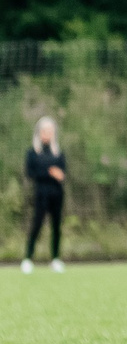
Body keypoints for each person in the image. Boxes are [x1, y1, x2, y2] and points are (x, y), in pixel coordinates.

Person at [22, 117, 65, 273]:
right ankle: (28, 258)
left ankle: (55, 259)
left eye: (50, 131)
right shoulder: (33, 153)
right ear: (39, 132)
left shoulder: (58, 153)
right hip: (41, 193)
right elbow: (30, 173)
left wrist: (59, 175)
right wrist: (50, 172)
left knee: (56, 227)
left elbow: (62, 173)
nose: (47, 134)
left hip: (57, 194)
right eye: (45, 131)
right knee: (37, 224)